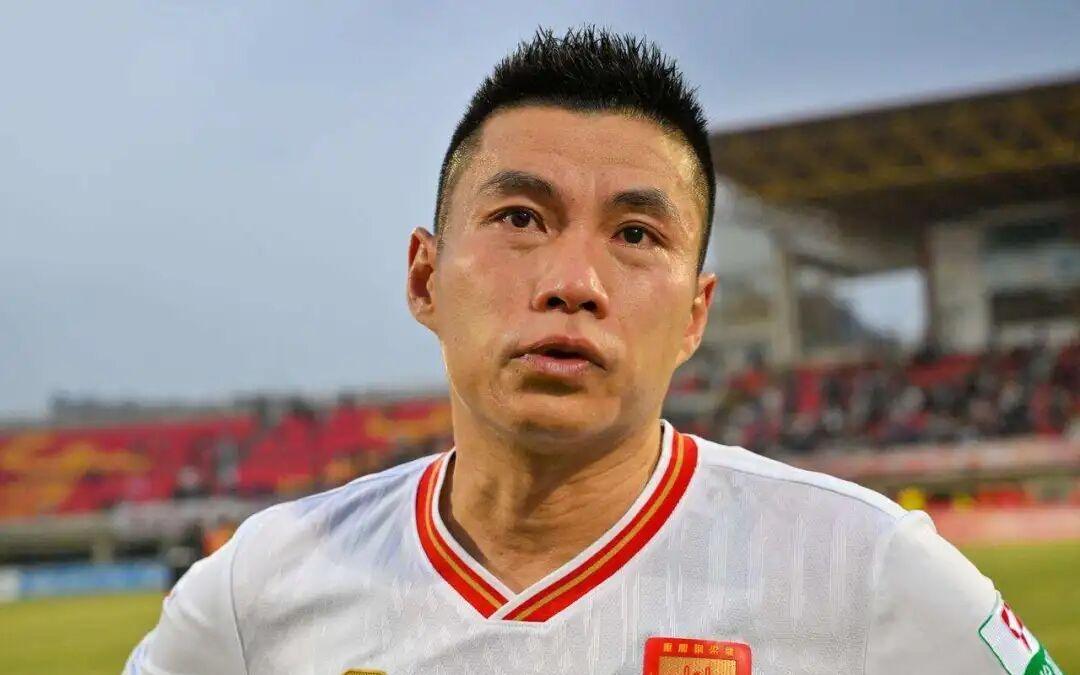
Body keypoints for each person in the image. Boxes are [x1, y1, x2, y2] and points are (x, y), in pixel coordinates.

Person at [124, 27, 1062, 675]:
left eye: (636, 235)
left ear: (695, 315)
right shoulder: (257, 591)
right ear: (424, 276)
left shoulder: (866, 566)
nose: (573, 280)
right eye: (520, 217)